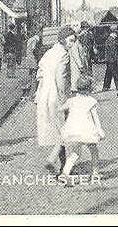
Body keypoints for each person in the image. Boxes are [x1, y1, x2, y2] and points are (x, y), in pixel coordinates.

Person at [36, 25, 76, 175]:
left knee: (58, 130)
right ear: (63, 40)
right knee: (65, 130)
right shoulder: (64, 55)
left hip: (45, 94)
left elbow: (39, 73)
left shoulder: (49, 52)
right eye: (70, 40)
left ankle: (60, 164)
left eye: (73, 41)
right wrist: (64, 99)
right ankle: (58, 163)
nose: (72, 44)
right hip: (57, 96)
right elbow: (61, 78)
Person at [59, 75, 106, 185]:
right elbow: (95, 118)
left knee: (75, 154)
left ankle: (65, 174)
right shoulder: (91, 101)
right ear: (89, 89)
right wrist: (99, 130)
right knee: (94, 151)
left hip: (73, 130)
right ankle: (95, 172)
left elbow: (60, 109)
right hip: (87, 130)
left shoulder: (71, 100)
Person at [23, 26, 42, 100]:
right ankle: (32, 90)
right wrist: (38, 58)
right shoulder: (35, 40)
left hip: (29, 57)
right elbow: (34, 49)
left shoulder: (30, 39)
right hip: (32, 58)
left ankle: (28, 87)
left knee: (30, 73)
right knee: (34, 73)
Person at [102, 27, 118, 92]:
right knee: (115, 72)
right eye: (116, 33)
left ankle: (106, 86)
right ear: (113, 33)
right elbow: (113, 50)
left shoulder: (109, 39)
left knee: (109, 73)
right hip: (112, 59)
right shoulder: (111, 40)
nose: (116, 34)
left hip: (109, 59)